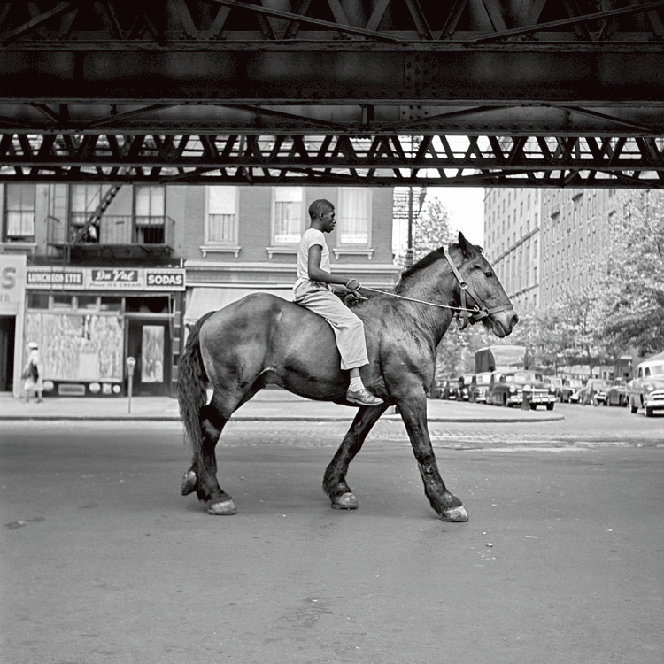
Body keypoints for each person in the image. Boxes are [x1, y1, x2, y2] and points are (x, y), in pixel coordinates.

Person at [293, 199, 383, 406]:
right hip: (312, 290)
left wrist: (343, 291)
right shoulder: (316, 236)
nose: (335, 222)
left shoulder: (310, 235)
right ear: (321, 215)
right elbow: (314, 273)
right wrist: (345, 280)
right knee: (352, 323)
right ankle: (355, 386)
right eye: (333, 217)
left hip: (314, 289)